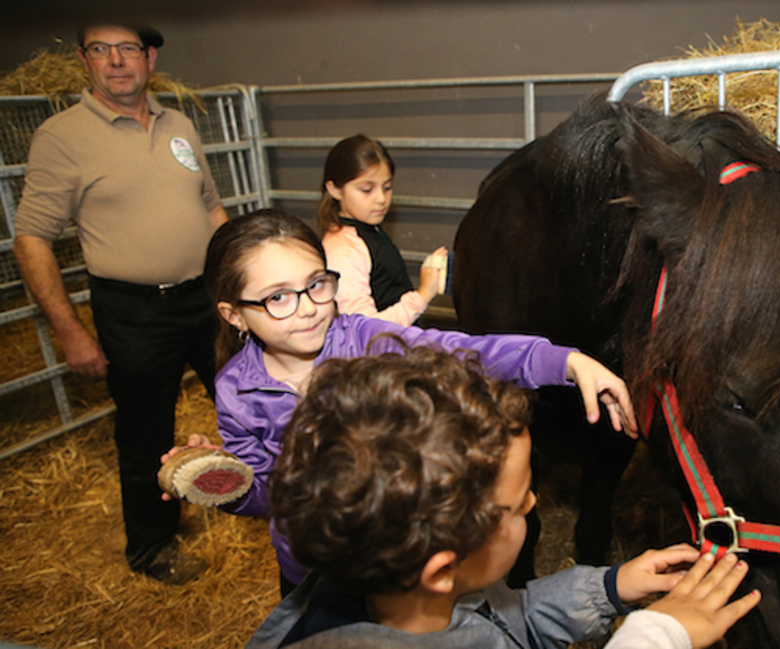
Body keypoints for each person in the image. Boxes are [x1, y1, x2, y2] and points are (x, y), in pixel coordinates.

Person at [165, 208, 637, 598]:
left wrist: (565, 361)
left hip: (397, 559)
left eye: (316, 284)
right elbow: (265, 496)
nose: (308, 306)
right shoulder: (234, 389)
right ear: (234, 315)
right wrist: (224, 481)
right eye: (278, 298)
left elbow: (466, 353)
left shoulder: (366, 340)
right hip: (310, 571)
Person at [244, 348, 761, 649]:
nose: (535, 503)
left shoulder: (403, 590)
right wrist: (656, 634)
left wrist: (611, 587)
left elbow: (505, 618)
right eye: (517, 505)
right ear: (443, 569)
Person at [13, 23, 228, 585]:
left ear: (150, 57)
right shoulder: (62, 137)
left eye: (127, 48)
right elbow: (32, 236)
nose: (116, 61)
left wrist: (239, 289)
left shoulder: (178, 123)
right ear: (84, 61)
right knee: (145, 432)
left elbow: (211, 207)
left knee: (246, 399)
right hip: (134, 312)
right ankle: (154, 545)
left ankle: (263, 500)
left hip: (205, 299)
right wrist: (69, 329)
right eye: (101, 50)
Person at [319, 134, 447, 325]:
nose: (381, 199)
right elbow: (364, 330)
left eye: (387, 187)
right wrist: (423, 295)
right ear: (335, 189)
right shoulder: (343, 252)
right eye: (366, 190)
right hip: (381, 351)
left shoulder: (367, 230)